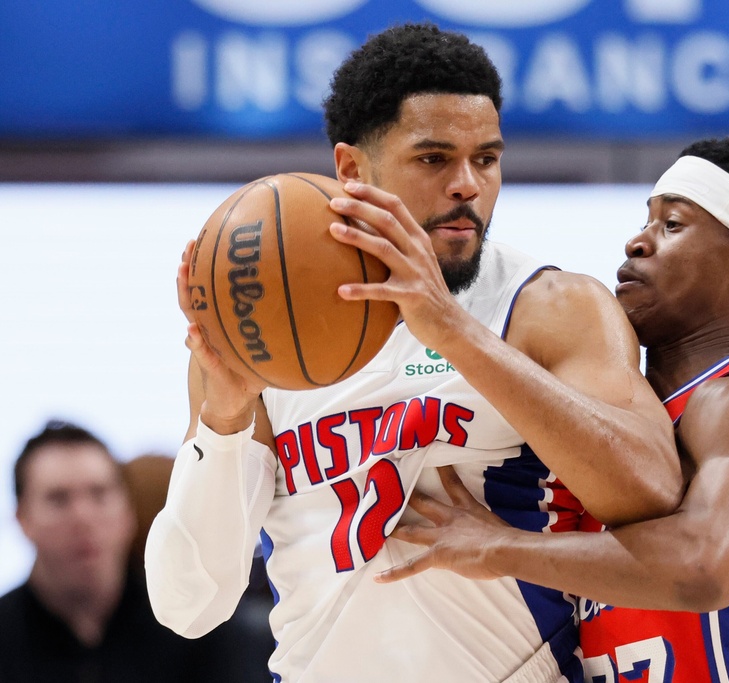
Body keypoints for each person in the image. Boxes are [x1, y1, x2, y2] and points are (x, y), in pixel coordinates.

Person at [145, 21, 682, 683]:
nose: (468, 185)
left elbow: (655, 489)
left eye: (486, 158)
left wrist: (455, 331)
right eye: (434, 158)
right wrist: (223, 423)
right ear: (350, 168)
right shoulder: (262, 327)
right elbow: (188, 604)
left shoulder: (550, 306)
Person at [376, 137, 729, 682]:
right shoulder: (622, 427)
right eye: (646, 220)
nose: (637, 242)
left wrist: (498, 548)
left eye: (672, 225)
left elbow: (701, 569)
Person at [0, 420, 263, 683]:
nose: (83, 517)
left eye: (99, 494)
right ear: (22, 518)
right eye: (58, 499)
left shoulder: (196, 626)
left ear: (129, 511)